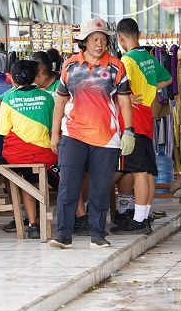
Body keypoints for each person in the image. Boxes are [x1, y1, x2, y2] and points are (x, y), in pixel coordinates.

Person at [49, 18, 135, 250]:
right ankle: (63, 234)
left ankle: (97, 234)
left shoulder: (116, 66)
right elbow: (60, 102)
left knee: (100, 187)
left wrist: (129, 131)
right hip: (73, 134)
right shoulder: (69, 66)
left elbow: (125, 102)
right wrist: (55, 133)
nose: (99, 43)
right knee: (68, 184)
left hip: (106, 137)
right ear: (84, 42)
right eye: (94, 39)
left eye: (103, 39)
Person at [110, 18, 172, 235]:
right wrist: (149, 89)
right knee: (147, 171)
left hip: (133, 119)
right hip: (147, 114)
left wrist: (128, 97)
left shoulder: (126, 61)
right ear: (139, 34)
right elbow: (168, 79)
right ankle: (143, 216)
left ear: (120, 38)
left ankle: (138, 220)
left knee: (138, 172)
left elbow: (119, 91)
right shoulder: (148, 57)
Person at [0, 59, 57, 240]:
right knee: (66, 179)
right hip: (44, 155)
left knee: (26, 181)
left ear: (13, 80)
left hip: (16, 156)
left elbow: (2, 132)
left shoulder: (8, 98)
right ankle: (76, 219)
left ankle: (33, 225)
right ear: (35, 77)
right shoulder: (47, 97)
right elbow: (54, 129)